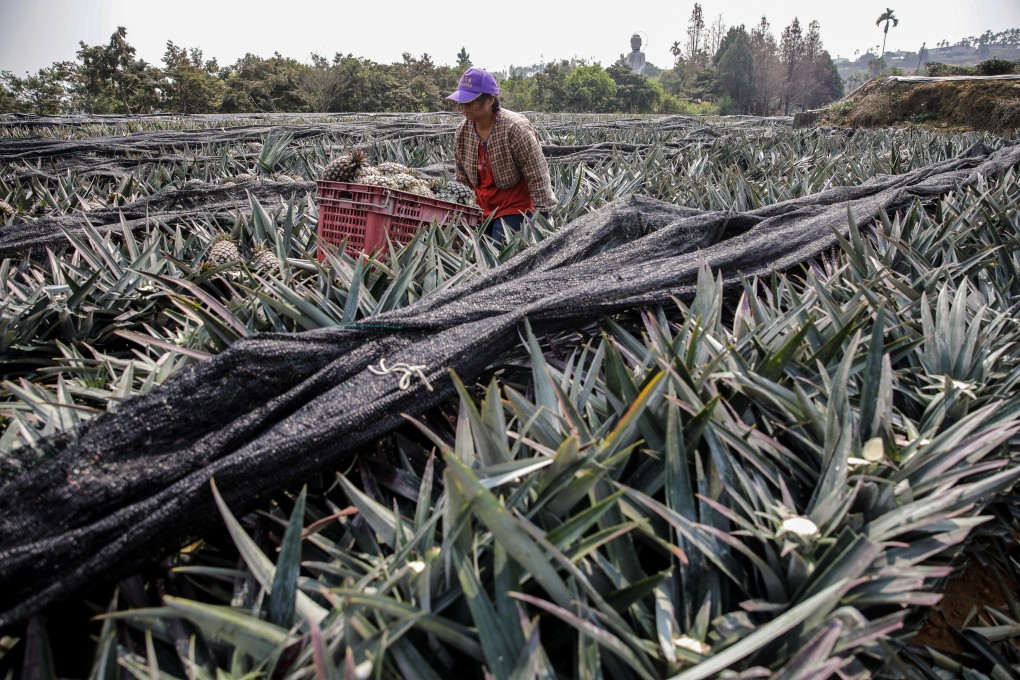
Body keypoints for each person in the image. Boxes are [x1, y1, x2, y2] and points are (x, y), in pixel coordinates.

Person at [446, 67, 557, 242]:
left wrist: (543, 213)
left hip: (514, 207)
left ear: (490, 100)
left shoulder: (514, 127)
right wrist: (461, 207)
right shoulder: (463, 130)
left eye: (471, 101)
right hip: (479, 207)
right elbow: (461, 176)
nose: (464, 107)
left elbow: (536, 171)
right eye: (462, 102)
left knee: (498, 252)